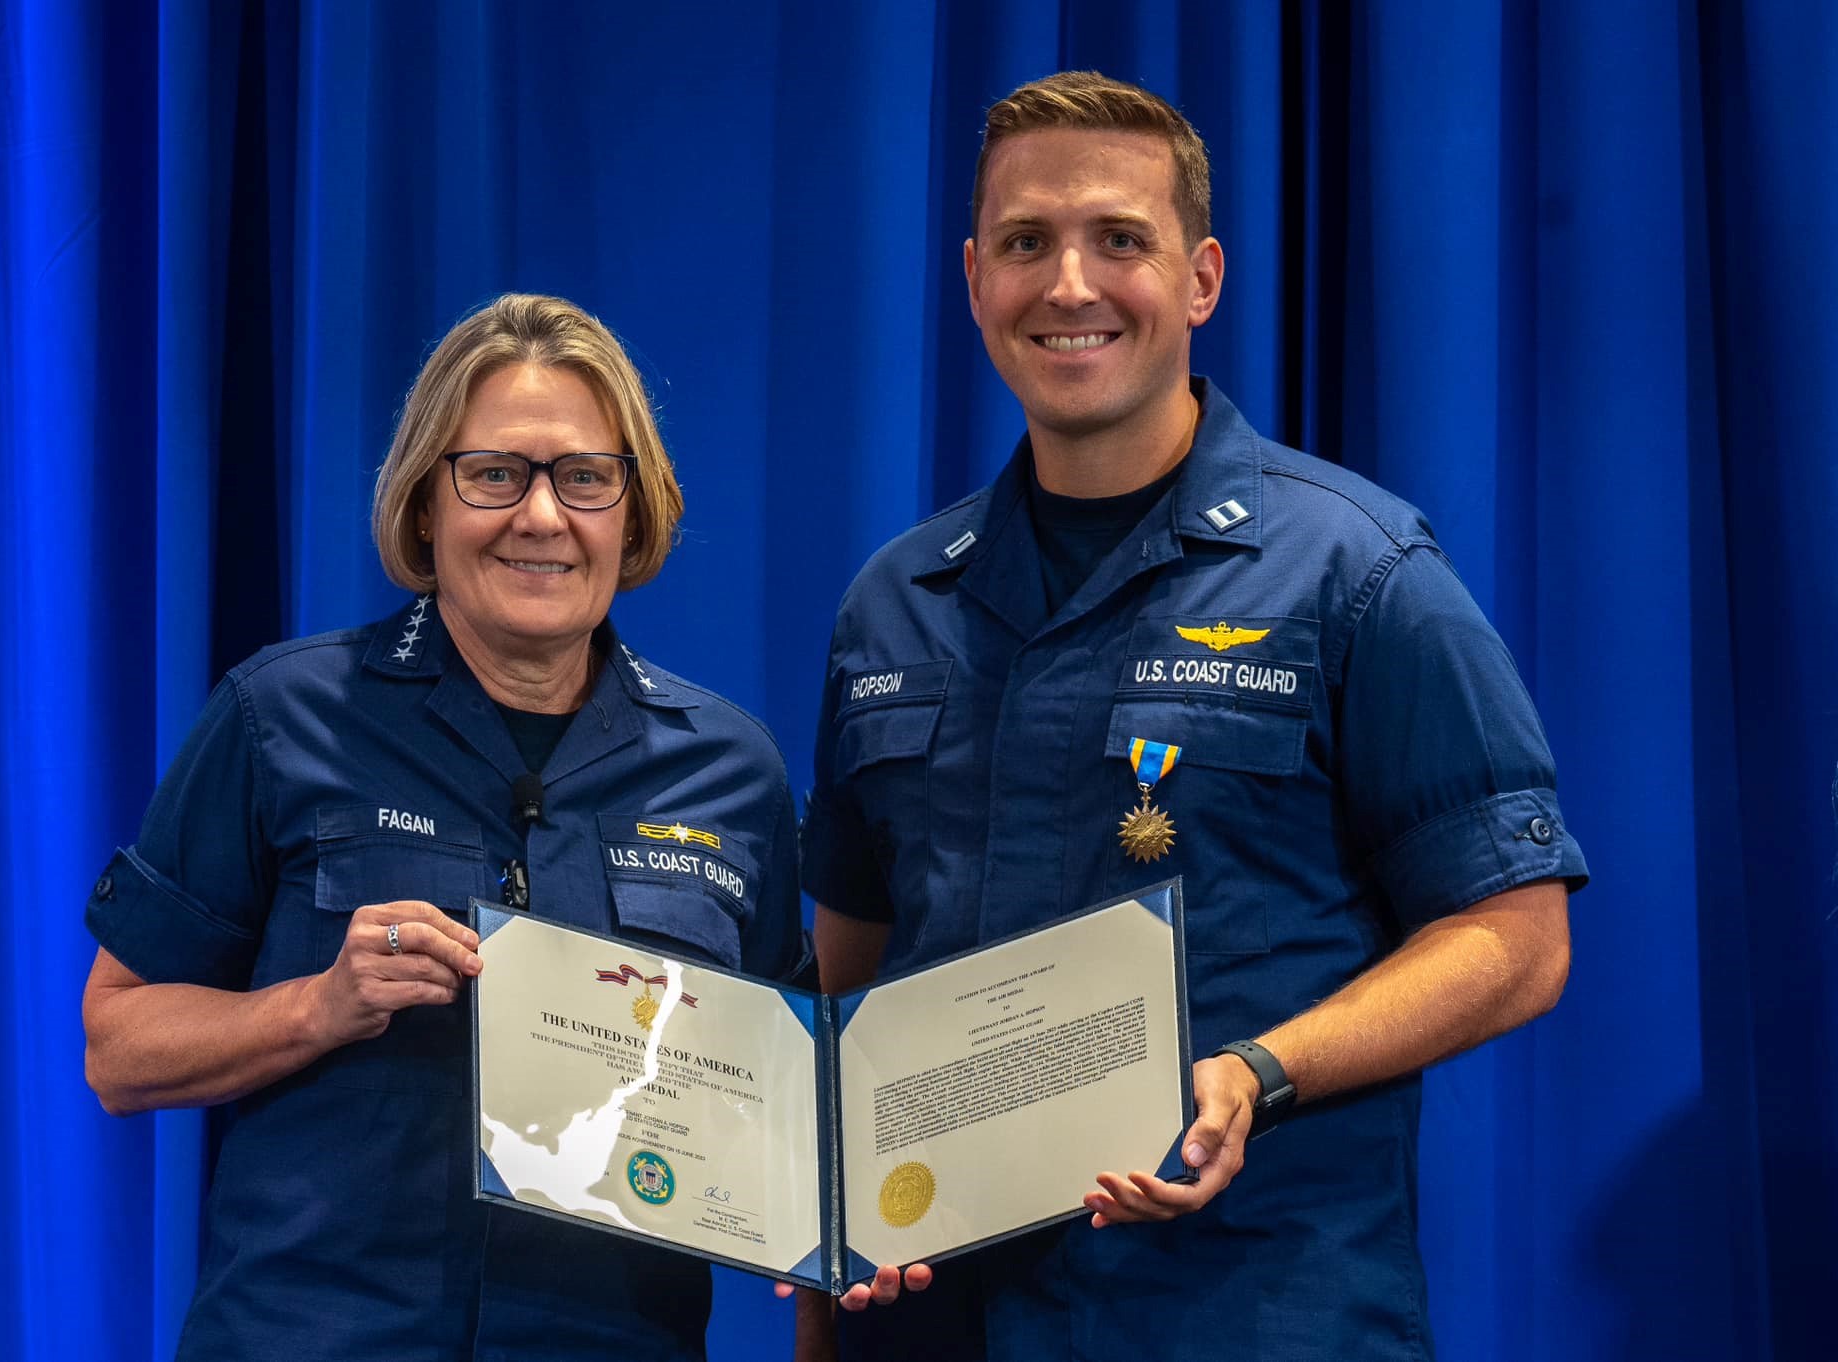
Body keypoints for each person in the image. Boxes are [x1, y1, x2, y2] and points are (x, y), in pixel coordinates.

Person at [796, 72, 1587, 1360]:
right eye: (1023, 243)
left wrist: (1259, 1071)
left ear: (1201, 279)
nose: (1067, 285)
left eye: (1119, 240)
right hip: (944, 1325)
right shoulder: (894, 601)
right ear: (972, 278)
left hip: (1241, 1310)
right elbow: (842, 985)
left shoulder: (1357, 570)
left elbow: (1515, 936)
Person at [82, 293, 804, 1360]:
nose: (541, 517)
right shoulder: (278, 716)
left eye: (584, 477)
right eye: (493, 474)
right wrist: (315, 1008)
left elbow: (781, 1105)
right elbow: (116, 1046)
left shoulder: (730, 771)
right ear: (425, 504)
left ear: (633, 511)